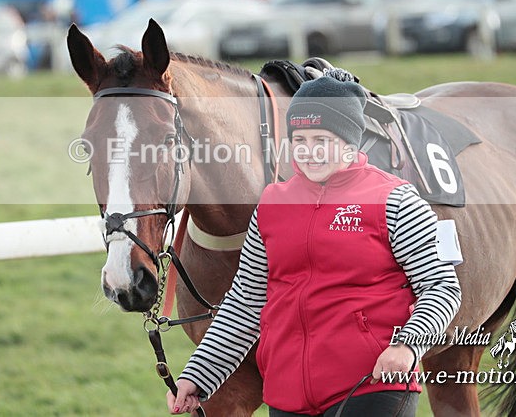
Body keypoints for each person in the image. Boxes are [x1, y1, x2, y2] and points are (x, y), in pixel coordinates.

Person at [167, 69, 462, 416]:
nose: (309, 152)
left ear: (350, 142)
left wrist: (407, 346)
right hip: (287, 395)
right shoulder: (273, 205)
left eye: (322, 140)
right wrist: (199, 375)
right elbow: (245, 302)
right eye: (301, 140)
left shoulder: (395, 200)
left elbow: (442, 287)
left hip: (372, 386)